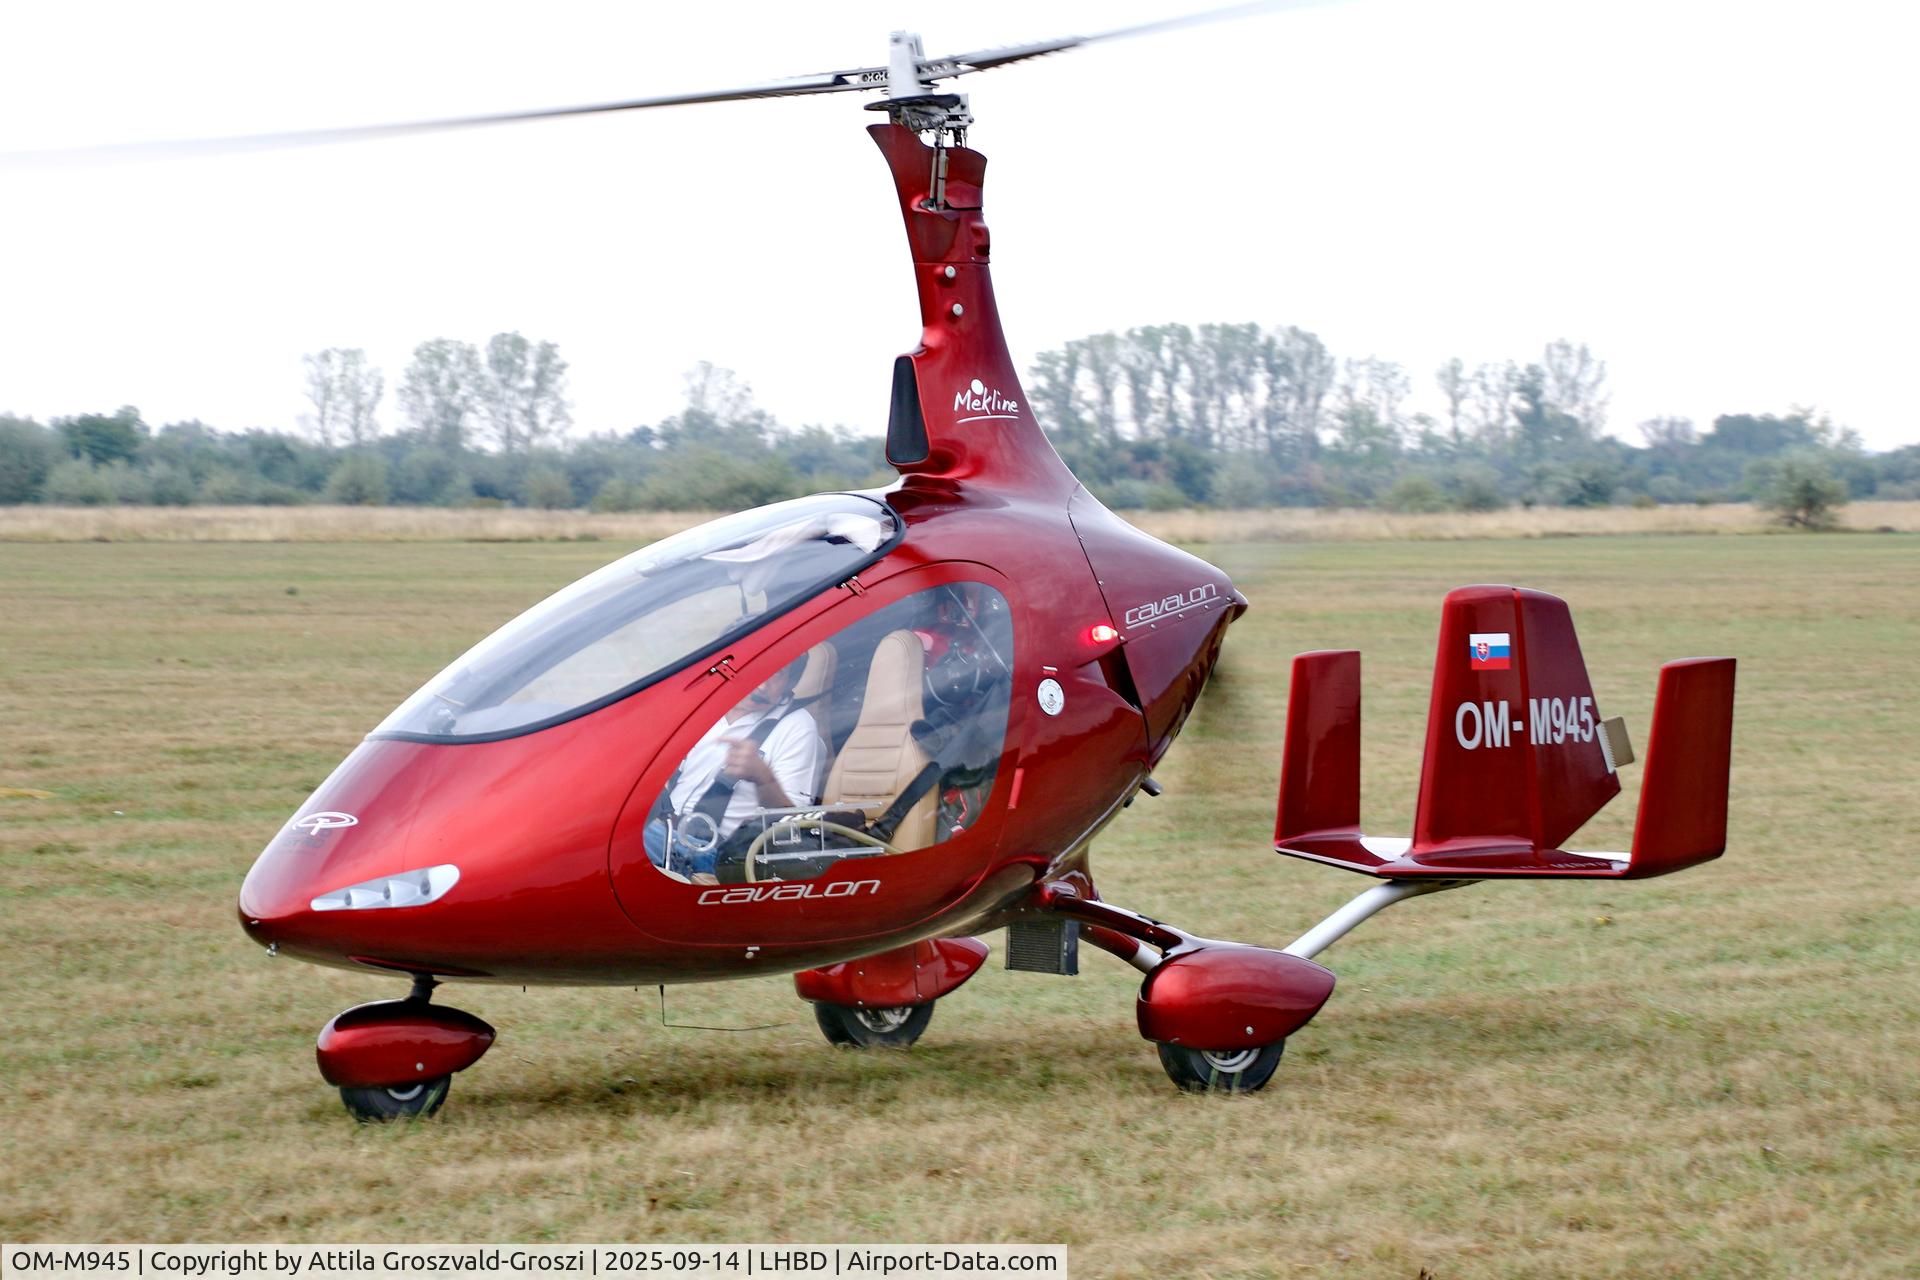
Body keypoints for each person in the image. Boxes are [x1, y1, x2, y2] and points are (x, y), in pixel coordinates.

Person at [643, 654, 823, 885]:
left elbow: (795, 827)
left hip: (721, 854)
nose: (762, 684)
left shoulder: (796, 725)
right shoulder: (704, 711)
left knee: (616, 841)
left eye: (776, 674)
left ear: (790, 682)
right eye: (754, 669)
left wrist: (763, 778)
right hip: (668, 829)